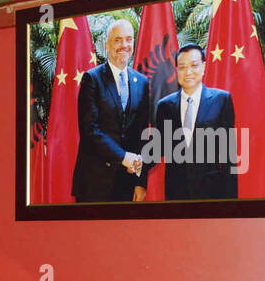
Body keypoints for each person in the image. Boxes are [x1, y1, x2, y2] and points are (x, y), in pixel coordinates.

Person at [72, 18, 152, 202]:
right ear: (107, 45)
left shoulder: (142, 82)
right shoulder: (92, 79)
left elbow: (143, 134)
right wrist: (124, 157)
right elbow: (90, 131)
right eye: (118, 40)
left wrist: (141, 181)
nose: (124, 45)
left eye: (129, 39)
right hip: (94, 184)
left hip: (127, 184)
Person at [149, 44, 238, 200]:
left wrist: (231, 202)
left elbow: (229, 155)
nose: (188, 72)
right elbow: (157, 149)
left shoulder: (221, 100)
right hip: (176, 193)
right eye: (182, 67)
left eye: (194, 65)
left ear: (203, 67)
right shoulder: (164, 106)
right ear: (176, 71)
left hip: (213, 192)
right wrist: (131, 162)